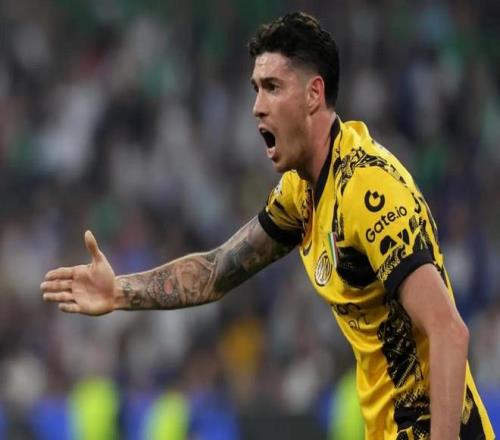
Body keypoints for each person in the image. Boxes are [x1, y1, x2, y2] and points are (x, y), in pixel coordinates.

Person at [41, 11, 495, 440]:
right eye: (256, 89)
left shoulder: (367, 190)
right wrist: (120, 292)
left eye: (273, 88)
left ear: (314, 94)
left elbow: (449, 331)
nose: (257, 107)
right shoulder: (302, 191)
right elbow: (217, 271)